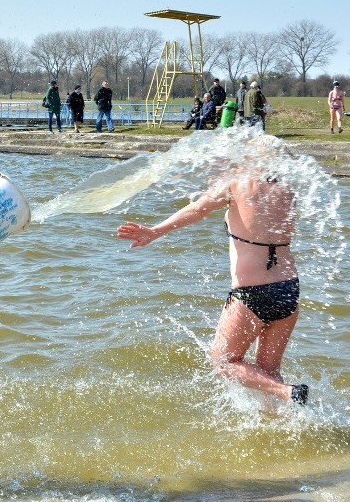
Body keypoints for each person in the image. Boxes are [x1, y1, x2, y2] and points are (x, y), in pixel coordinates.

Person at [116, 163, 308, 406]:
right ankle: (277, 423)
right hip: (288, 287)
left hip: (252, 291)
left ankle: (288, 393)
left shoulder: (236, 182)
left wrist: (155, 231)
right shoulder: (286, 189)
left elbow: (197, 209)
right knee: (267, 370)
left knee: (223, 362)